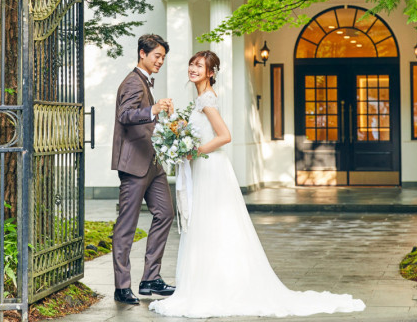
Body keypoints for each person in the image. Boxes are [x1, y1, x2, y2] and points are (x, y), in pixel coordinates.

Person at [149, 50, 365, 318]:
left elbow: (225, 136)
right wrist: (178, 130)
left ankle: (216, 287)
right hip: (207, 167)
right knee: (210, 226)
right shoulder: (200, 101)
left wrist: (195, 151)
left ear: (211, 73)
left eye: (199, 66)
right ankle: (213, 282)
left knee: (212, 225)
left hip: (210, 167)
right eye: (192, 64)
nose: (193, 69)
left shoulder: (206, 101)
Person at [111, 34, 176, 305]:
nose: (160, 61)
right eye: (156, 56)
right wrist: (153, 109)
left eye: (162, 57)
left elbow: (145, 124)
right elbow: (125, 116)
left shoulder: (145, 82)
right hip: (134, 165)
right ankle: (122, 286)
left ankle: (150, 278)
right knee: (127, 226)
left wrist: (167, 124)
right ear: (142, 54)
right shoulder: (132, 82)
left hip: (153, 163)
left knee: (166, 213)